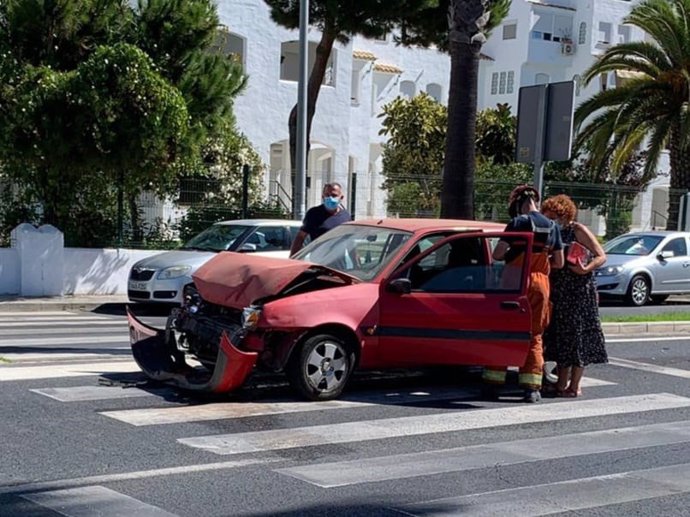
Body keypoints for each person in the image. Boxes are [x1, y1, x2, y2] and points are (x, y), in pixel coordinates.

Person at [482, 185, 564, 403]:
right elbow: (560, 262)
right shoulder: (553, 227)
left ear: (518, 204)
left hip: (514, 282)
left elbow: (498, 254)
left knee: (504, 331)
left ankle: (493, 384)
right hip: (541, 284)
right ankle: (531, 389)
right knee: (534, 335)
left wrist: (514, 253)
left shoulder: (518, 223)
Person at [541, 194, 608, 398]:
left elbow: (601, 255)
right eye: (548, 216)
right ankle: (561, 383)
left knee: (577, 336)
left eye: (554, 216)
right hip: (559, 290)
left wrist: (586, 269)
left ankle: (574, 385)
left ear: (564, 214)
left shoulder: (577, 230)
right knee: (562, 336)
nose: (551, 220)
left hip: (579, 290)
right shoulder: (552, 231)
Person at [289, 182, 352, 256]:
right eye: (327, 195)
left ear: (341, 198)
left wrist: (356, 263)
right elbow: (300, 238)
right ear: (323, 197)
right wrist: (293, 258)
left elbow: (350, 242)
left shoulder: (346, 216)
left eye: (334, 195)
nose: (330, 198)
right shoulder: (314, 213)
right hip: (319, 262)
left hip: (339, 264)